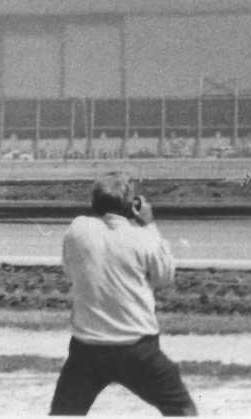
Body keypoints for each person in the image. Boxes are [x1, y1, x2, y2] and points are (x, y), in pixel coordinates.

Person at [49, 173, 197, 416]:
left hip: (87, 349)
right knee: (181, 408)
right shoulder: (142, 237)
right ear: (131, 206)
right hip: (138, 348)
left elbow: (70, 270)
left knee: (65, 413)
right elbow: (164, 277)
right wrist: (149, 224)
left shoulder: (77, 230)